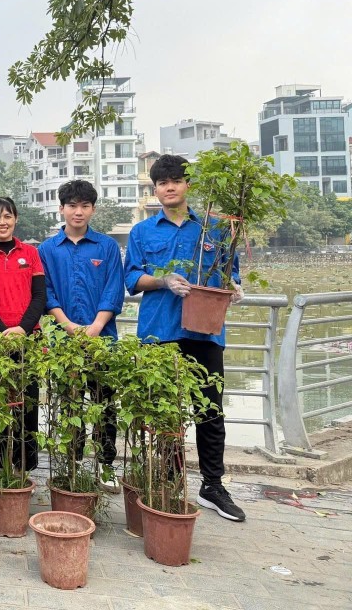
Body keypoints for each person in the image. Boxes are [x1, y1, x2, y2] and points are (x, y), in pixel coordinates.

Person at [124, 154, 246, 522]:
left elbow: (231, 273)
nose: (169, 187)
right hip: (160, 333)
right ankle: (169, 479)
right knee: (164, 413)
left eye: (176, 180)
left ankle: (212, 485)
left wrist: (234, 287)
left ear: (187, 184)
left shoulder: (215, 228)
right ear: (155, 189)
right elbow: (131, 280)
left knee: (210, 410)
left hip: (206, 334)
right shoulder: (142, 232)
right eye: (162, 183)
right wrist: (163, 281)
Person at [38, 180, 125, 493]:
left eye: (84, 206)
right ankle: (71, 463)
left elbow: (115, 287)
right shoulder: (47, 250)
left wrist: (97, 326)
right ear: (61, 209)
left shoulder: (107, 247)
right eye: (72, 205)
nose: (78, 212)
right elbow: (45, 292)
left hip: (102, 339)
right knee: (68, 403)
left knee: (105, 403)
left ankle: (106, 464)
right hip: (64, 341)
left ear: (93, 209)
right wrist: (68, 325)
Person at [0, 196, 46, 473]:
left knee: (27, 403)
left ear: (16, 219)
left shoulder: (30, 253)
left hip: (28, 337)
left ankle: (26, 466)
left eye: (7, 216)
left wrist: (22, 328)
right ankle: (1, 462)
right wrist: (2, 330)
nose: (2, 222)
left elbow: (39, 296)